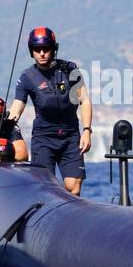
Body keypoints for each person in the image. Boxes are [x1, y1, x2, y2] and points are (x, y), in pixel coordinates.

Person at [10, 27, 93, 195]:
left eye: (46, 49)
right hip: (44, 138)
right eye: (37, 49)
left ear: (53, 49)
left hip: (70, 137)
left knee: (73, 188)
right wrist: (5, 125)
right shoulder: (27, 77)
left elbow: (84, 100)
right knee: (45, 188)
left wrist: (87, 131)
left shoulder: (70, 70)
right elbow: (17, 107)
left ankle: (68, 218)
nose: (41, 53)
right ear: (31, 51)